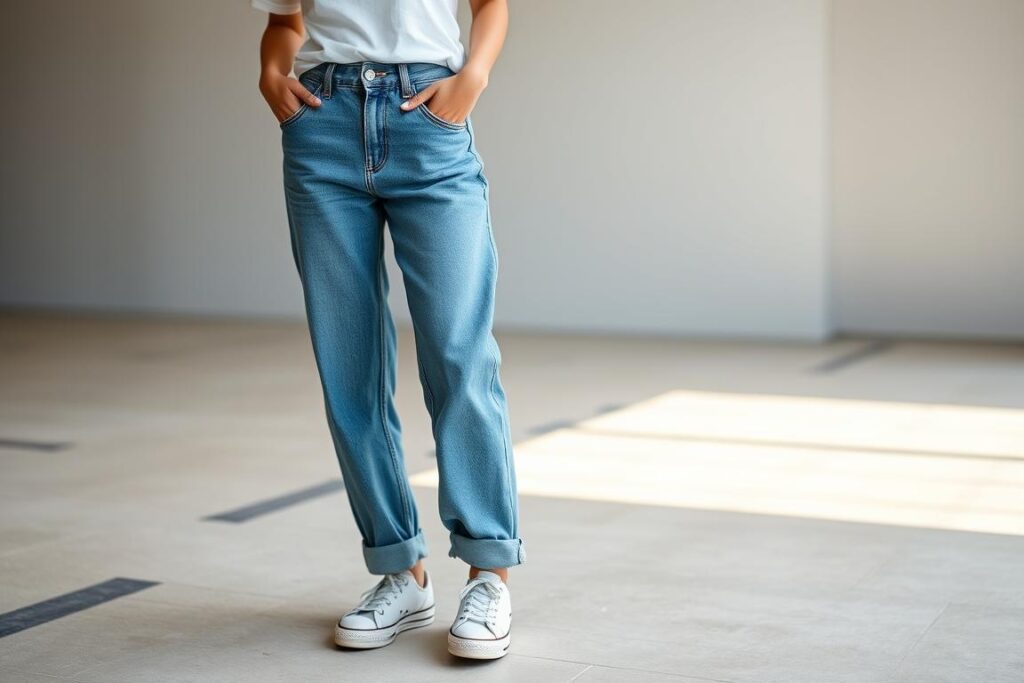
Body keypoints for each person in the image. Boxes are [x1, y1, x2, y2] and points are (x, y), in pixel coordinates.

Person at [251, 0, 522, 661]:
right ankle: (400, 568)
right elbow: (285, 20)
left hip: (426, 113)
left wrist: (473, 77)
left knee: (460, 356)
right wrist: (269, 72)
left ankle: (489, 574)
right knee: (350, 370)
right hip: (323, 122)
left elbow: (491, 5)